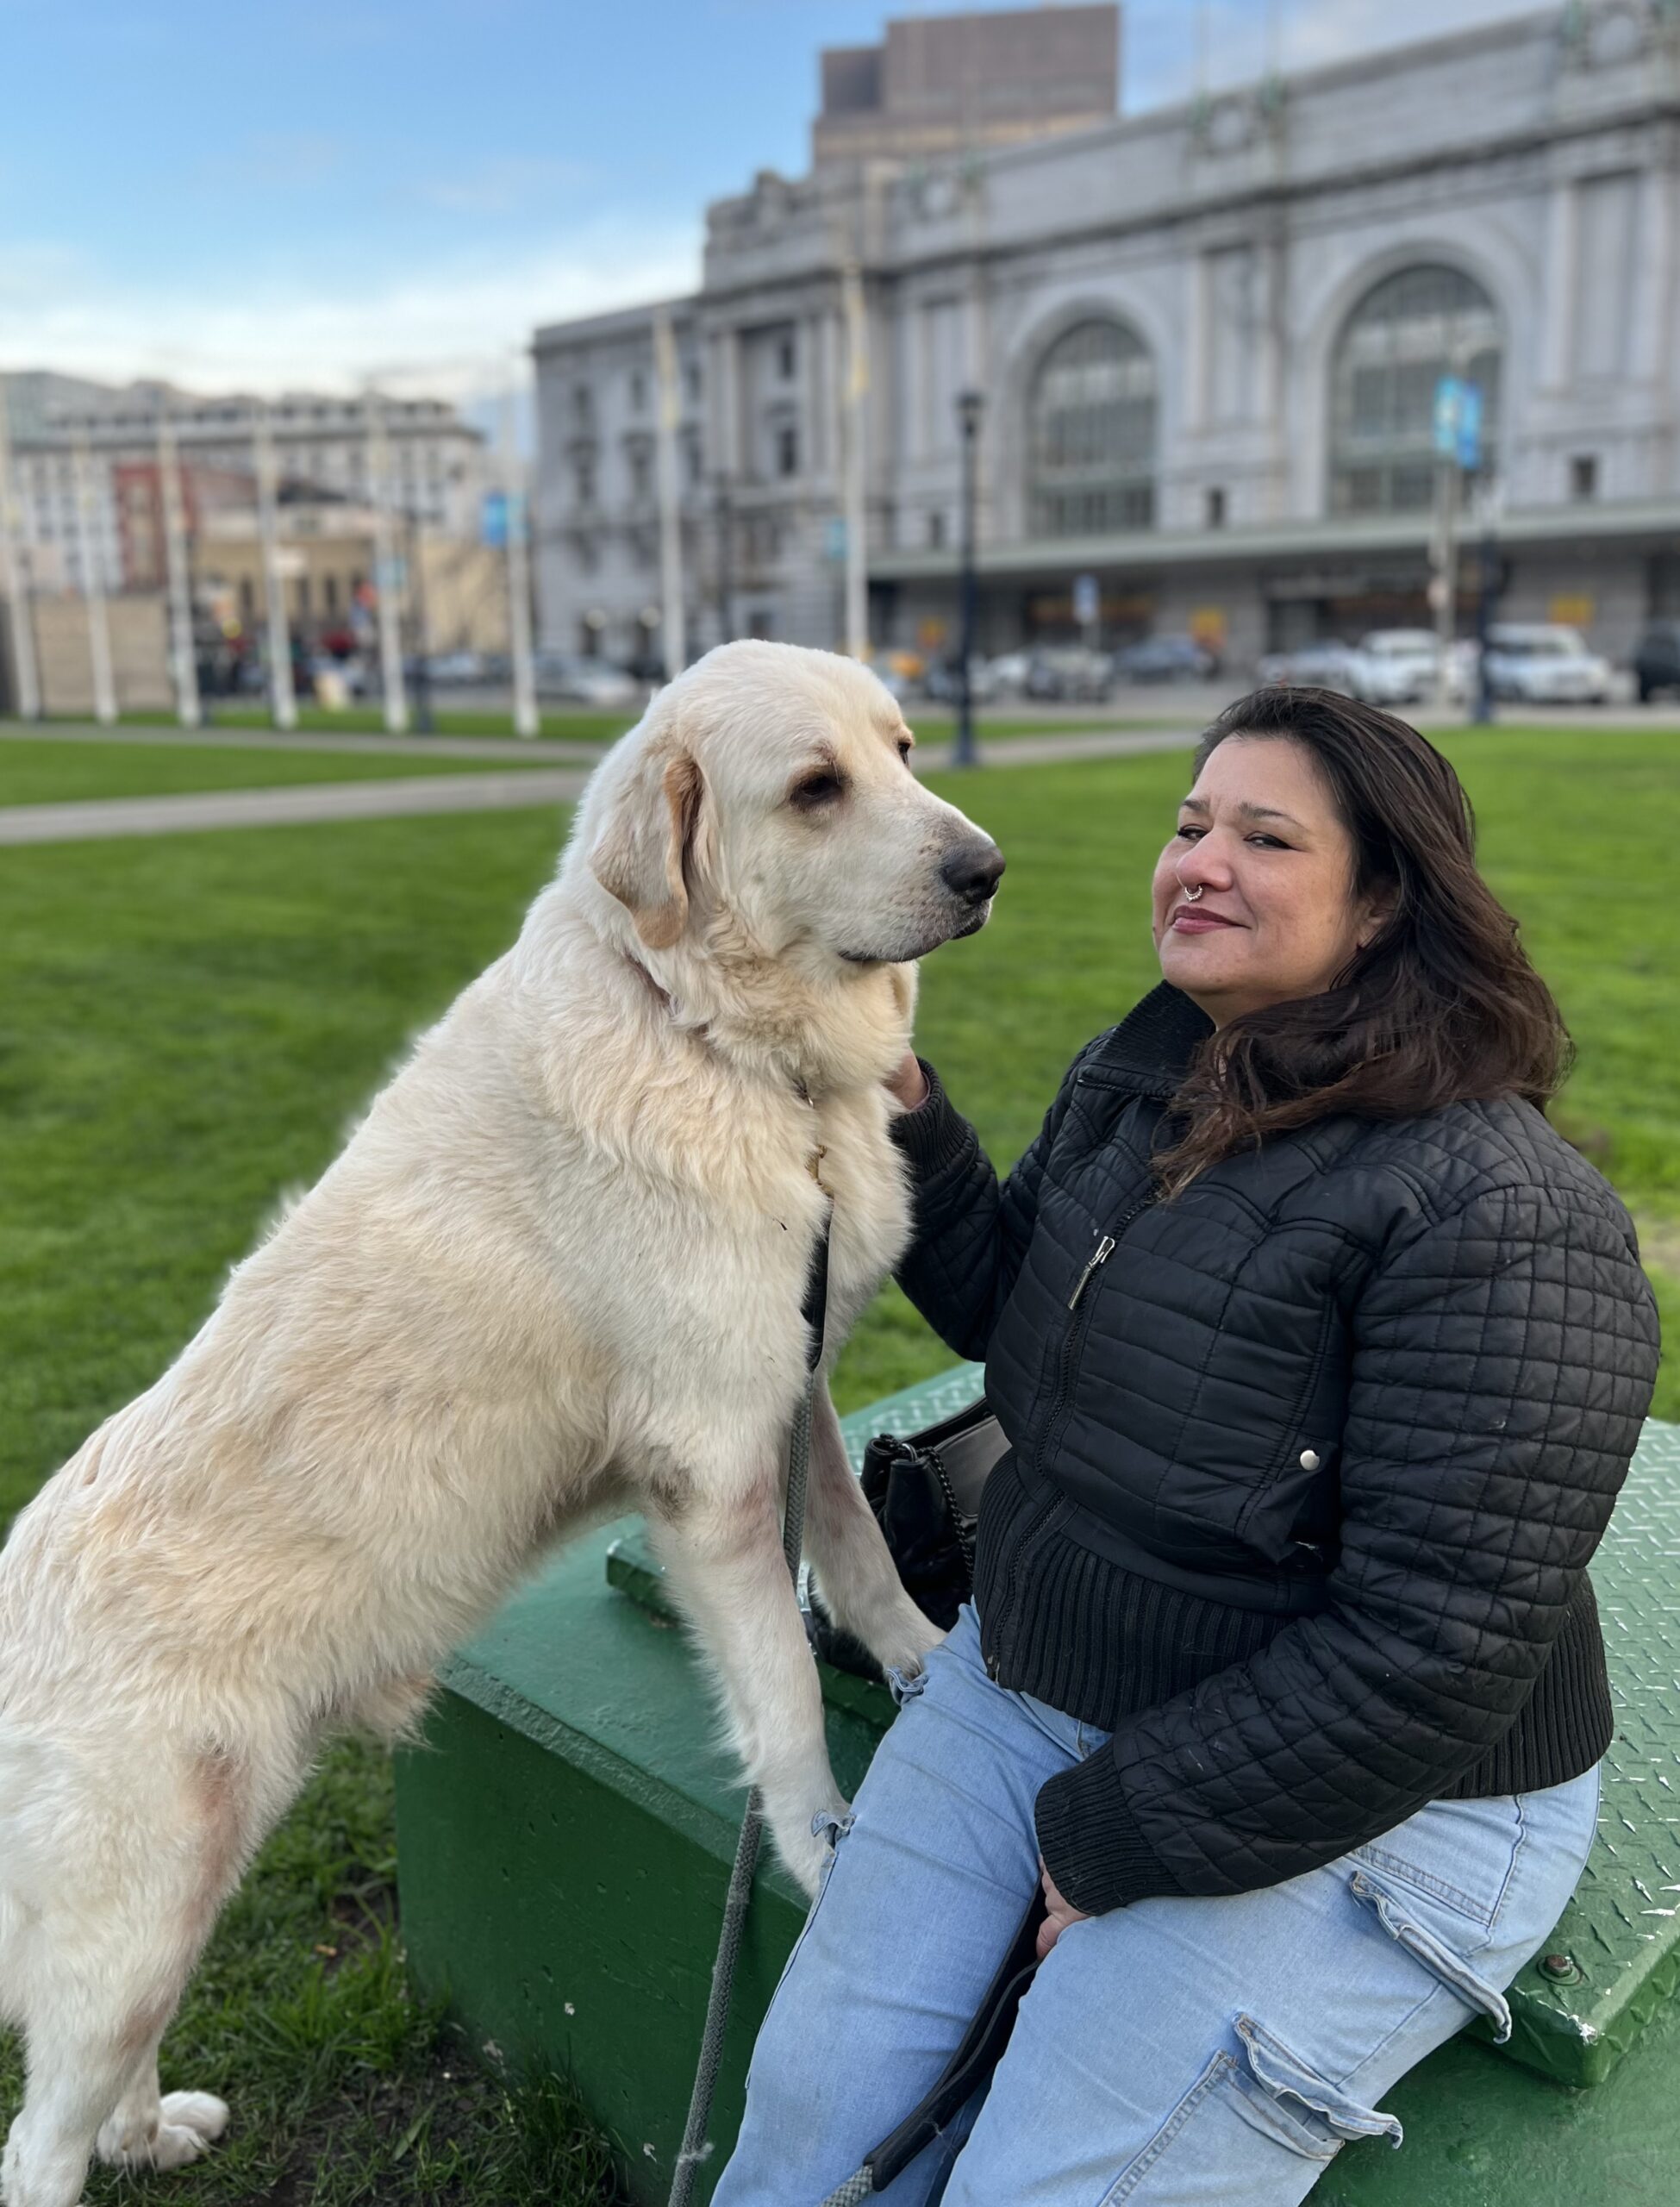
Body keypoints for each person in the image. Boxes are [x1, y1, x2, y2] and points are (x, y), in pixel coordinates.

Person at [713, 687, 1660, 2206]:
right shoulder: (1150, 1067)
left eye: (1265, 839)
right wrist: (902, 1107)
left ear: (1381, 905)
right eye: (1188, 823)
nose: (1199, 862)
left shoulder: (1501, 1215)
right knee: (809, 2128)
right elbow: (1018, 1313)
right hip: (1031, 1679)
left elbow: (1435, 1647)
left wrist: (1110, 1840)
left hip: (1383, 1793)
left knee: (1036, 2189)